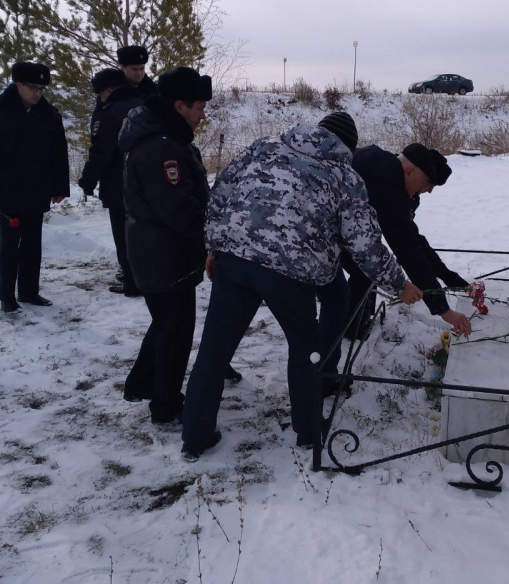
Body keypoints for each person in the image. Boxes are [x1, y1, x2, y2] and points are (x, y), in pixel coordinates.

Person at [180, 111, 423, 460]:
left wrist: (214, 247)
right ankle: (308, 431)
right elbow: (364, 243)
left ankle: (195, 435)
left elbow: (220, 194)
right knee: (306, 349)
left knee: (214, 349)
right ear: (348, 147)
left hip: (234, 260)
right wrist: (399, 284)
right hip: (290, 273)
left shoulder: (263, 147)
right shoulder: (345, 176)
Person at [118, 67, 211, 424]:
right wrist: (213, 237)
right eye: (199, 108)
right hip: (165, 256)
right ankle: (166, 405)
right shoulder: (162, 150)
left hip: (159, 253)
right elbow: (179, 210)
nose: (202, 115)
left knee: (165, 323)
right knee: (175, 331)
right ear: (179, 106)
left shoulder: (166, 140)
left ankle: (141, 382)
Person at [339, 143, 471, 354]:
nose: (428, 191)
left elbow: (412, 239)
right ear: (410, 171)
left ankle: (357, 321)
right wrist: (442, 309)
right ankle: (350, 328)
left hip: (341, 230)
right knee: (363, 270)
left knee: (368, 268)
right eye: (428, 184)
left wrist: (446, 275)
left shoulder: (386, 171)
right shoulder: (387, 185)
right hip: (319, 234)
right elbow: (408, 249)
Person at [0, 61, 70, 313]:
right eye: (32, 87)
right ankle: (7, 296)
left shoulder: (49, 115)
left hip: (37, 189)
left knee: (33, 243)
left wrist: (59, 187)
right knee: (10, 244)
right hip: (6, 191)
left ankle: (29, 291)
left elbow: (59, 154)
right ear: (18, 84)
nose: (37, 93)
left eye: (42, 89)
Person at [78, 68, 144, 296]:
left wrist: (87, 180)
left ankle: (131, 282)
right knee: (141, 233)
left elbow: (101, 151)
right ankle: (143, 277)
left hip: (118, 183)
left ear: (108, 90)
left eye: (100, 93)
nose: (100, 98)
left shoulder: (108, 112)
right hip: (145, 182)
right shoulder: (144, 105)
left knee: (123, 235)